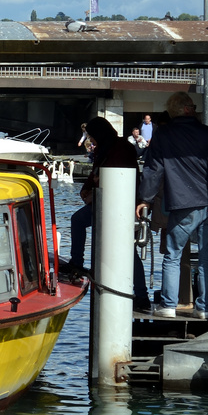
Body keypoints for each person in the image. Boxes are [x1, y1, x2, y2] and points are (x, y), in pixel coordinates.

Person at [137, 92, 208, 318]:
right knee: (207, 256)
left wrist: (144, 199)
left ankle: (168, 305)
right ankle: (204, 308)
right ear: (188, 108)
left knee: (173, 255)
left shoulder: (163, 135)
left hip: (180, 203)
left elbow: (153, 170)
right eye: (194, 105)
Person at [63, 117, 152, 306]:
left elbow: (112, 176)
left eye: (93, 137)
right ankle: (77, 262)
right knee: (79, 220)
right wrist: (86, 189)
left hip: (121, 205)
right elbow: (96, 174)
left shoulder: (119, 148)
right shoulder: (106, 147)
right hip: (105, 202)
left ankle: (142, 295)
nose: (92, 142)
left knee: (127, 249)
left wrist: (94, 186)